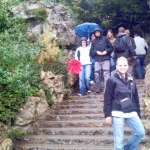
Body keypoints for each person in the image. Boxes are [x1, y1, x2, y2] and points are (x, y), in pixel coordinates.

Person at [104, 56, 145, 150]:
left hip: (131, 111)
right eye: (120, 65)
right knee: (118, 141)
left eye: (125, 65)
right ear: (117, 66)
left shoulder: (131, 80)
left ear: (128, 66)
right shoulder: (111, 80)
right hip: (118, 112)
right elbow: (107, 98)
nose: (123, 67)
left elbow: (136, 98)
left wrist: (138, 113)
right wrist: (107, 115)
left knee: (140, 133)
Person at [90, 28, 113, 93]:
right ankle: (98, 88)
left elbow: (111, 48)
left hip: (105, 58)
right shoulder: (93, 42)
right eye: (96, 32)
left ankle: (107, 89)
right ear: (95, 33)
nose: (97, 33)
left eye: (98, 32)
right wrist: (96, 52)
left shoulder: (105, 39)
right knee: (97, 74)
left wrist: (106, 51)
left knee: (106, 74)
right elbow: (91, 51)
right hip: (97, 59)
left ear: (100, 33)